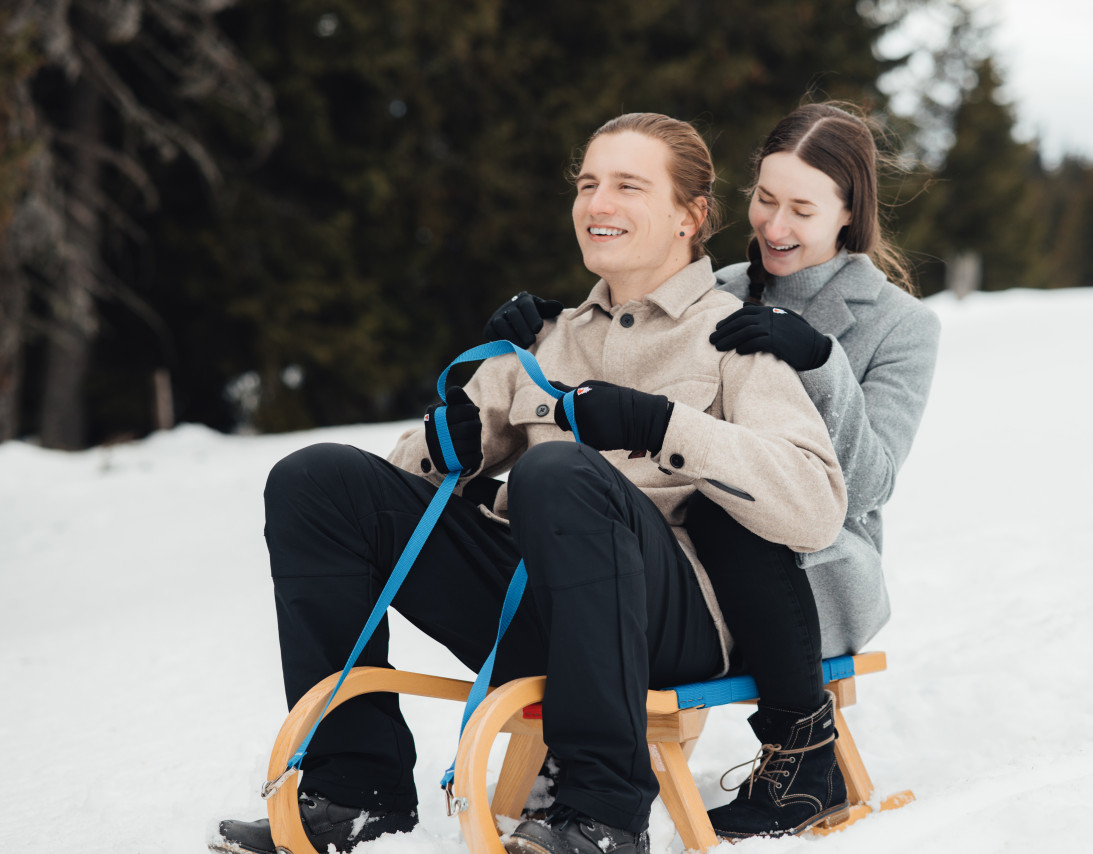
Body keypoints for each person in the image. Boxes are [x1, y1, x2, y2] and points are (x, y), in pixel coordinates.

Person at [209, 112, 846, 854]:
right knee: (314, 479)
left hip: (669, 617)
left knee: (555, 469)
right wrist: (443, 443)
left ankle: (603, 811)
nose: (596, 204)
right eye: (587, 184)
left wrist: (664, 427)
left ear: (690, 215)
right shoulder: (546, 338)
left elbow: (815, 507)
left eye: (627, 186)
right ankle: (355, 788)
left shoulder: (734, 336)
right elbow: (396, 493)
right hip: (536, 604)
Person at [483, 102, 940, 840]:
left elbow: (872, 481)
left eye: (801, 209)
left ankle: (801, 748)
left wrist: (821, 363)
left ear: (848, 216)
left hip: (813, 552)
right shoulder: (722, 282)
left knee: (724, 509)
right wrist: (551, 327)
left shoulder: (901, 326)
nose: (775, 227)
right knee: (687, 501)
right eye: (764, 200)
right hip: (688, 536)